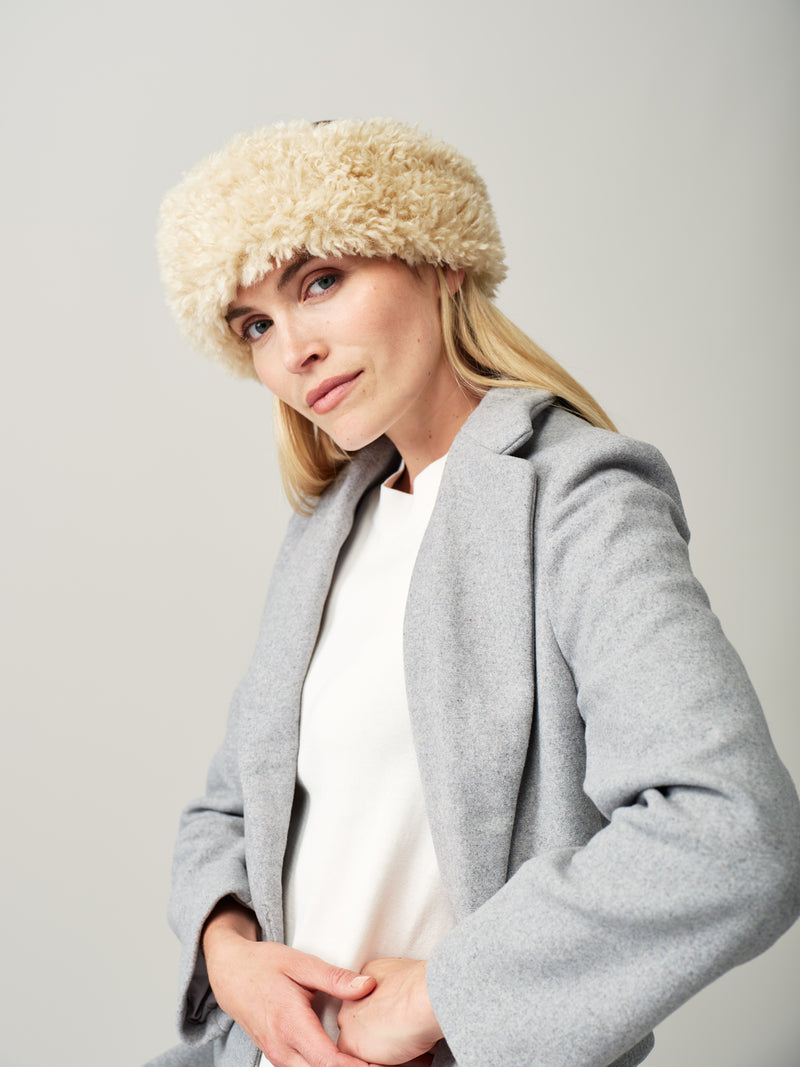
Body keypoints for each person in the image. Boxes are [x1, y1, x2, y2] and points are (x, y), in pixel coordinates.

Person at [149, 118, 800, 1067]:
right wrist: (228, 955)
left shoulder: (575, 498)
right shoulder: (332, 529)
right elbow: (227, 811)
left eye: (319, 281)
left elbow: (733, 831)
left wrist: (448, 993)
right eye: (255, 324)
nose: (293, 350)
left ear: (441, 261)